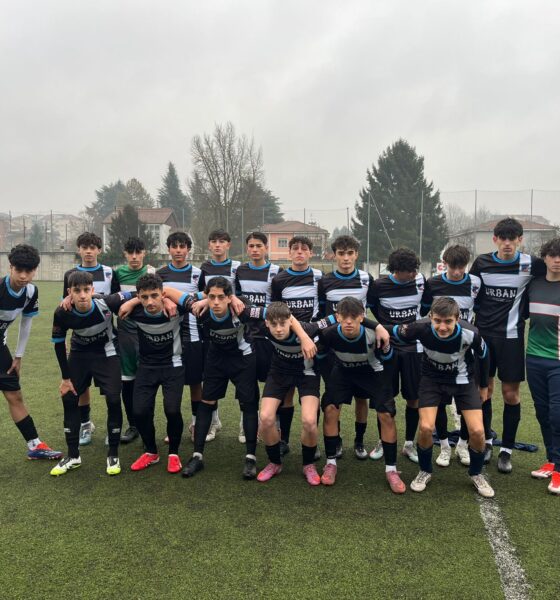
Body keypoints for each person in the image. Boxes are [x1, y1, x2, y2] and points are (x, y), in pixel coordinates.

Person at [394, 297, 494, 498]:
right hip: (432, 381)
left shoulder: (470, 333)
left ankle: (476, 474)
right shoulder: (419, 328)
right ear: (430, 317)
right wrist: (375, 327)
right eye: (437, 321)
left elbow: (484, 355)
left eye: (448, 321)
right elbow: (391, 330)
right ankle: (425, 470)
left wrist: (484, 385)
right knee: (426, 427)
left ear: (457, 318)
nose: (442, 327)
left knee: (477, 431)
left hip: (463, 381)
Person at [165, 277, 264, 480]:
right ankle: (197, 456)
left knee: (248, 404)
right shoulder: (199, 308)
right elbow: (166, 290)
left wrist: (235, 298)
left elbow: (273, 313)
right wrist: (198, 299)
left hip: (242, 359)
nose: (216, 302)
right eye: (212, 297)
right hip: (216, 358)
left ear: (229, 297)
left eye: (221, 297)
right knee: (206, 402)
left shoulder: (241, 307)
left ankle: (250, 458)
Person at [470, 218, 546, 473]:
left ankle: (507, 450)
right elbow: (472, 295)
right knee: (485, 391)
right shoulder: (481, 263)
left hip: (512, 337)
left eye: (512, 239)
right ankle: (487, 441)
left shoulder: (531, 264)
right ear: (495, 240)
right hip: (484, 336)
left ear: (519, 240)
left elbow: (550, 277)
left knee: (510, 394)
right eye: (502, 239)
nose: (507, 244)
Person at [51, 271, 132, 476]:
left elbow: (137, 293)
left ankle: (113, 454)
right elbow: (59, 345)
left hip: (106, 353)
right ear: (69, 292)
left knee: (113, 398)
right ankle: (73, 456)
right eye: (77, 291)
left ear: (92, 290)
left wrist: (131, 302)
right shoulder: (62, 312)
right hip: (79, 354)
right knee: (69, 397)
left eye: (86, 290)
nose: (82, 295)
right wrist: (65, 378)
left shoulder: (107, 302)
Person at [318, 298, 401, 492]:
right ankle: (330, 463)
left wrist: (385, 389)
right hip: (343, 371)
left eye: (353, 317)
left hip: (372, 372)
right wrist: (330, 381)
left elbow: (389, 360)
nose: (349, 321)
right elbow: (321, 357)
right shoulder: (328, 334)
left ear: (362, 317)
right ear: (337, 317)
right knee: (330, 408)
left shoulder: (375, 334)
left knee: (386, 414)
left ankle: (391, 469)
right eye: (344, 317)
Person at [256, 302, 332, 485]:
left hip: (307, 373)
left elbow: (336, 317)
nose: (278, 329)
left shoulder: (308, 328)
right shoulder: (262, 327)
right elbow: (240, 307)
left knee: (309, 421)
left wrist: (376, 327)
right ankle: (275, 462)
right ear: (267, 323)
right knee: (265, 418)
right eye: (274, 324)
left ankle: (308, 464)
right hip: (279, 372)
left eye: (283, 324)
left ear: (291, 321)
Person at [421, 244, 481, 467]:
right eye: (452, 267)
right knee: (439, 402)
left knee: (467, 403)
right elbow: (424, 313)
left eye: (461, 267)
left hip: (466, 353)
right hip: (438, 352)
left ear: (466, 264)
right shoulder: (433, 283)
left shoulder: (476, 283)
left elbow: (480, 311)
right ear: (444, 263)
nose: (456, 272)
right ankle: (445, 445)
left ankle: (463, 444)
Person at [1, 244, 62, 461]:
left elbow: (26, 323)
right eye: (19, 270)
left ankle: (35, 446)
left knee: (14, 394)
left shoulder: (30, 292)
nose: (23, 276)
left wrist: (18, 356)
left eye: (29, 271)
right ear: (10, 267)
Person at [123, 274, 189, 475]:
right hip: (146, 367)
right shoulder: (135, 311)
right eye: (144, 297)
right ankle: (151, 452)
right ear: (138, 297)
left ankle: (173, 453)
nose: (150, 302)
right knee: (139, 412)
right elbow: (104, 299)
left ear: (163, 294)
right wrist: (132, 301)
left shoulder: (178, 309)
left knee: (172, 410)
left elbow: (203, 297)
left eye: (154, 296)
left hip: (173, 365)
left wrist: (169, 298)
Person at [317, 235, 375, 460]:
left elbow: (373, 310)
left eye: (350, 253)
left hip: (361, 347)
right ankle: (337, 440)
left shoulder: (367, 279)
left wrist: (378, 330)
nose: (346, 258)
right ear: (334, 256)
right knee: (335, 398)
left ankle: (359, 441)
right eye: (341, 253)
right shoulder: (325, 281)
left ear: (356, 255)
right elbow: (323, 314)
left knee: (362, 398)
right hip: (334, 348)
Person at [62, 232, 119, 446]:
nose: (88, 251)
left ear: (99, 250)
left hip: (105, 340)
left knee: (110, 390)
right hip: (80, 341)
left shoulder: (109, 273)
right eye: (84, 247)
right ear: (79, 249)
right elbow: (65, 305)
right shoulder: (71, 274)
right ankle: (86, 424)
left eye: (92, 247)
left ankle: (111, 428)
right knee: (80, 387)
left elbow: (116, 301)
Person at [371, 247, 426, 463]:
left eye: (415, 269)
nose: (413, 273)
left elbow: (426, 307)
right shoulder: (379, 286)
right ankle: (383, 440)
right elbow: (373, 310)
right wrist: (388, 329)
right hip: (388, 347)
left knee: (413, 398)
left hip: (414, 348)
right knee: (385, 397)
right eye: (409, 271)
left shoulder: (420, 282)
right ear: (396, 270)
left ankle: (409, 444)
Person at [271, 236, 322, 455]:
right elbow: (276, 310)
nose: (299, 252)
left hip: (312, 342)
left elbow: (323, 309)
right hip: (287, 342)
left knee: (310, 396)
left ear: (311, 253)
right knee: (287, 394)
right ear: (289, 253)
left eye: (304, 249)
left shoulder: (319, 277)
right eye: (295, 248)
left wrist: (311, 332)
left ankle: (312, 442)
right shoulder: (279, 280)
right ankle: (284, 439)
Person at [157, 232, 205, 442]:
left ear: (188, 249)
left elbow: (206, 297)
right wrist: (166, 300)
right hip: (168, 337)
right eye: (174, 246)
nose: (178, 250)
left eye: (182, 246)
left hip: (192, 335)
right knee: (171, 384)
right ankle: (173, 427)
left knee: (195, 383)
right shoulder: (160, 274)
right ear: (168, 249)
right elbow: (155, 298)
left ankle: (196, 424)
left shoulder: (198, 273)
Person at [198, 229, 242, 442]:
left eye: (222, 241)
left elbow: (239, 294)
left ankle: (245, 425)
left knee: (243, 381)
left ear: (228, 245)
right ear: (209, 245)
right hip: (212, 329)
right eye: (214, 241)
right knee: (210, 380)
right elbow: (202, 294)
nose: (217, 245)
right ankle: (214, 421)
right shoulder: (204, 268)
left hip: (234, 329)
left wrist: (235, 300)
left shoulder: (237, 267)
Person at [526, 238, 560, 494]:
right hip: (533, 357)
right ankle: (551, 459)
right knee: (542, 412)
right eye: (553, 255)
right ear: (545, 257)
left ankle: (559, 468)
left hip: (558, 360)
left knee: (557, 414)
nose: (557, 260)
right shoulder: (533, 285)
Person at [114, 236, 155, 443]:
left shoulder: (151, 273)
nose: (134, 257)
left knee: (147, 381)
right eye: (131, 252)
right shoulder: (117, 274)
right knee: (127, 381)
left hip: (147, 333)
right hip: (125, 335)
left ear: (144, 253)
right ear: (125, 254)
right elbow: (112, 300)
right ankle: (133, 426)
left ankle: (148, 425)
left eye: (138, 252)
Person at [235, 232, 282, 384]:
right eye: (251, 246)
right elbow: (237, 298)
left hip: (268, 333)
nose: (255, 249)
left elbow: (279, 303)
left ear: (266, 248)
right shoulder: (240, 271)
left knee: (272, 378)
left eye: (259, 246)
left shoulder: (277, 271)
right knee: (247, 380)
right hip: (246, 332)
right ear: (247, 249)